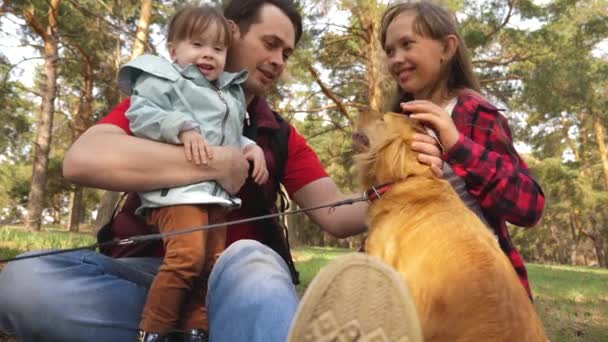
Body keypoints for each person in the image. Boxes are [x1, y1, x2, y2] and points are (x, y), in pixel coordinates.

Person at [0, 1, 443, 342]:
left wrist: (406, 185)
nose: (279, 61)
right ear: (232, 33)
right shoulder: (164, 95)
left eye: (287, 53)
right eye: (269, 44)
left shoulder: (280, 136)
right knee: (24, 282)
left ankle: (236, 322)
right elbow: (82, 160)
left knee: (254, 264)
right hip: (145, 276)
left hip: (238, 278)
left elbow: (337, 215)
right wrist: (219, 161)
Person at [117, 4, 269, 339]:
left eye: (218, 48)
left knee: (210, 267)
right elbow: (141, 115)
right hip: (178, 194)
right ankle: (154, 330)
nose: (208, 55)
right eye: (197, 45)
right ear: (172, 49)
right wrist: (181, 128)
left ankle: (195, 330)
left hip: (214, 200)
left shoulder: (228, 92)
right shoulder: (164, 79)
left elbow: (226, 135)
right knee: (187, 257)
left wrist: (249, 147)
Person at [378, 0, 545, 298]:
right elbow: (384, 205)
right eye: (390, 51)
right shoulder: (396, 124)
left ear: (447, 48)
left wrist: (456, 146)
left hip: (481, 291)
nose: (396, 58)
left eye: (407, 44)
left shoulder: (478, 114)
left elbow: (530, 207)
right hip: (412, 286)